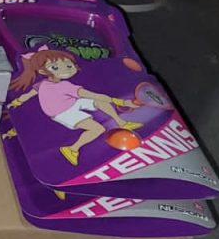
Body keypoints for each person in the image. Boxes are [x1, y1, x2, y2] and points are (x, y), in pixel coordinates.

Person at [8, 47, 141, 165]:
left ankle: (121, 122)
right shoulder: (64, 86)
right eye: (55, 67)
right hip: (63, 112)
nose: (66, 69)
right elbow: (93, 95)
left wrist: (17, 102)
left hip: (70, 102)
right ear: (43, 71)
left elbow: (28, 95)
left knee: (100, 103)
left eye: (68, 65)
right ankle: (72, 149)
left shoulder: (42, 84)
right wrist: (121, 102)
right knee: (98, 129)